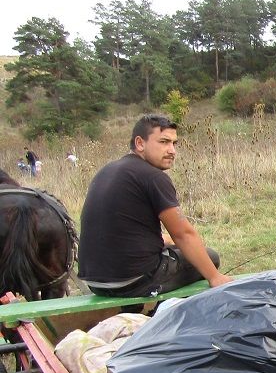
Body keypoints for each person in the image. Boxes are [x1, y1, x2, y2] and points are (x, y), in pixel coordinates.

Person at [78, 114, 231, 297]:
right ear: (140, 143)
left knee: (175, 246)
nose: (172, 150)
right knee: (210, 257)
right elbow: (183, 234)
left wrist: (164, 240)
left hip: (95, 282)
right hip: (133, 282)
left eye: (174, 144)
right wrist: (215, 277)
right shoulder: (153, 177)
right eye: (164, 142)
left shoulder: (107, 171)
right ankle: (166, 311)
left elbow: (120, 227)